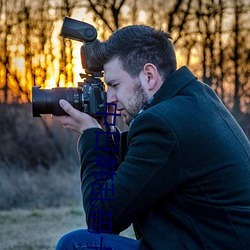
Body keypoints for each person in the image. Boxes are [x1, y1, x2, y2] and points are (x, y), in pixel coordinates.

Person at [53, 25, 250, 250]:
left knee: (76, 244)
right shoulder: (194, 98)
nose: (110, 99)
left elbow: (102, 220)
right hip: (213, 241)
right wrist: (104, 133)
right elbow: (140, 166)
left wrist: (91, 136)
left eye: (115, 85)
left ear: (149, 75)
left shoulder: (162, 124)